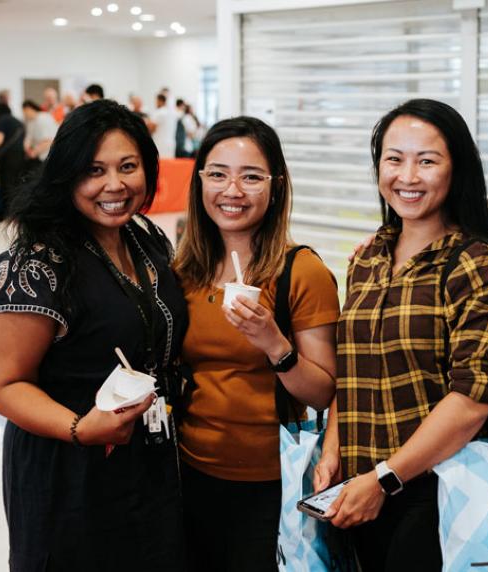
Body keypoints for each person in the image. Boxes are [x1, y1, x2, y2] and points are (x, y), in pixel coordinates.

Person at [0, 99, 187, 571]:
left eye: (128, 167)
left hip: (146, 459)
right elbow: (6, 385)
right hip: (68, 469)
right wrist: (79, 429)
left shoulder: (145, 239)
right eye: (94, 170)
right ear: (66, 175)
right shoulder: (35, 265)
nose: (114, 185)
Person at [316, 99, 488, 571]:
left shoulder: (474, 262)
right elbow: (354, 371)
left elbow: (473, 398)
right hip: (361, 491)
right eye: (394, 159)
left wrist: (387, 478)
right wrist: (333, 451)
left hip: (440, 497)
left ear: (456, 170)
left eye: (426, 161)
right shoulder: (367, 259)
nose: (407, 176)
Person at [173, 116, 340, 571]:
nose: (233, 190)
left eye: (251, 177)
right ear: (200, 181)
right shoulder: (183, 270)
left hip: (271, 483)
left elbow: (323, 390)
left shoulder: (300, 272)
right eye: (218, 174)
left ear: (276, 186)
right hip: (186, 474)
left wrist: (274, 345)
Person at [0, 102, 25, 215]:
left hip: (7, 158)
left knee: (7, 186)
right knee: (16, 185)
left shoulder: (2, 120)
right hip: (20, 156)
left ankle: (9, 215)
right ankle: (17, 214)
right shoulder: (19, 122)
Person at [22, 99, 58, 165]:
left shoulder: (43, 118)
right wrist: (27, 148)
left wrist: (34, 152)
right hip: (39, 156)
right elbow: (29, 138)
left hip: (48, 157)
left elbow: (48, 141)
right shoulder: (30, 122)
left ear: (29, 109)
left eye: (24, 112)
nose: (24, 115)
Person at [151, 92, 175, 158]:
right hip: (170, 144)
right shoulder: (172, 114)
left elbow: (152, 128)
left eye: (156, 101)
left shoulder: (159, 112)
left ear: (160, 101)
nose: (155, 103)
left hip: (160, 143)